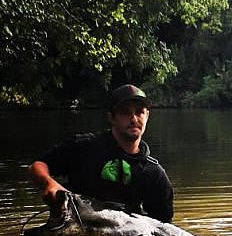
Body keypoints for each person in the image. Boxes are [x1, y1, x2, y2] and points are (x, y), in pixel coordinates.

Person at [30, 84, 174, 222]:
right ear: (111, 117)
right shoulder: (82, 147)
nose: (133, 119)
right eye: (125, 112)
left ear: (147, 115)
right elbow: (38, 165)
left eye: (139, 112)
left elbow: (164, 226)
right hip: (75, 230)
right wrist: (50, 184)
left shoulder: (154, 174)